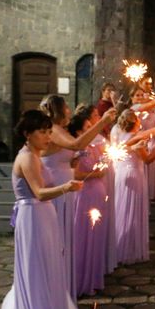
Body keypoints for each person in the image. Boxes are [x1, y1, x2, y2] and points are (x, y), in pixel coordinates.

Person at [0, 110, 83, 309]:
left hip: (42, 218)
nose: (46, 136)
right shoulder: (27, 158)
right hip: (33, 218)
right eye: (41, 132)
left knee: (47, 273)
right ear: (26, 134)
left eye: (47, 130)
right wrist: (66, 187)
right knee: (37, 276)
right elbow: (40, 193)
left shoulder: (36, 155)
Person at [40, 95, 116, 299]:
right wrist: (103, 122)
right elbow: (76, 144)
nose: (68, 111)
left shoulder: (59, 130)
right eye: (65, 107)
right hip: (56, 188)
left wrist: (73, 162)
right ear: (57, 110)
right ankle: (56, 291)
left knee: (67, 241)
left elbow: (69, 156)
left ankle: (65, 288)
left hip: (68, 189)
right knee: (59, 242)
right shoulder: (53, 130)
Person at [111, 110, 155, 264]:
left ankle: (118, 248)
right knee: (131, 213)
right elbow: (148, 159)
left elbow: (148, 133)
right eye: (138, 120)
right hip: (134, 176)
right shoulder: (134, 138)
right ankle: (128, 250)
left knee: (121, 211)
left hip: (120, 175)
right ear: (135, 123)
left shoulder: (117, 133)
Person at [69, 106, 108, 298]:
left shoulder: (93, 146)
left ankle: (93, 278)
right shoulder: (77, 150)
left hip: (98, 194)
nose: (91, 129)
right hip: (85, 196)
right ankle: (81, 281)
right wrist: (95, 173)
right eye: (87, 127)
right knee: (85, 236)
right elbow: (75, 173)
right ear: (78, 132)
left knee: (96, 237)